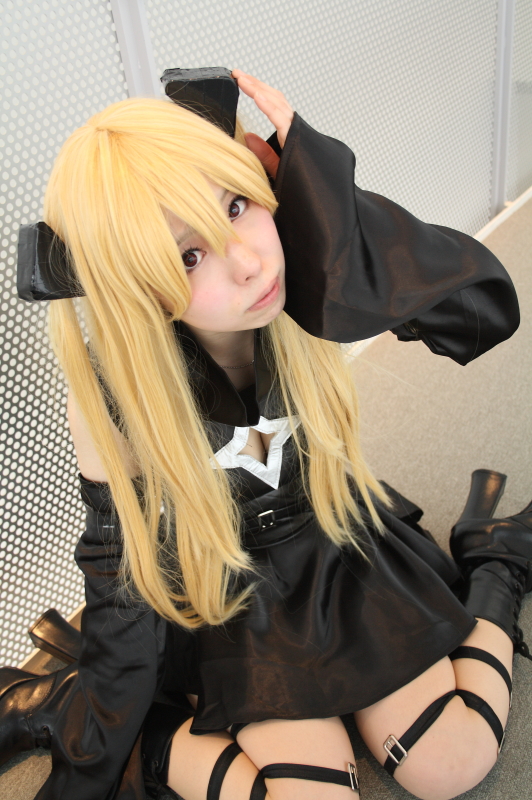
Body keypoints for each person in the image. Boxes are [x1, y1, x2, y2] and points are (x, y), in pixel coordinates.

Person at [0, 69, 530, 800]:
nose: (249, 264)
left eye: (237, 204)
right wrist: (94, 744)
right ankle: (70, 709)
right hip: (228, 596)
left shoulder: (307, 284)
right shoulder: (113, 394)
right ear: (134, 287)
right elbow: (120, 572)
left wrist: (333, 211)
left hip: (337, 546)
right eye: (188, 255)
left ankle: (497, 563)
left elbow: (482, 313)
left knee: (452, 764)